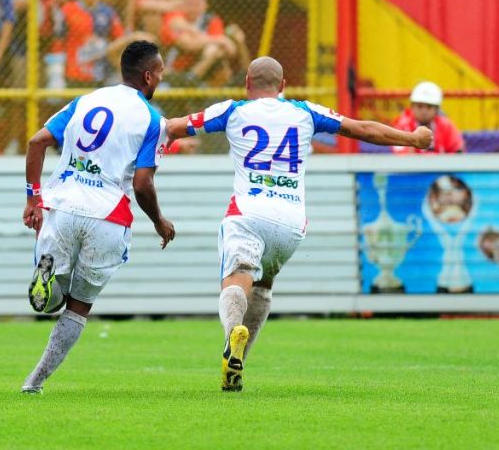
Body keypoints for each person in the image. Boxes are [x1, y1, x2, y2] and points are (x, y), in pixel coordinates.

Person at [165, 57, 433, 392]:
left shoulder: (232, 111)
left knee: (237, 277)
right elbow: (362, 128)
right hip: (291, 221)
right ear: (283, 85)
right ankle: (239, 361)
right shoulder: (305, 112)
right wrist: (411, 138)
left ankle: (232, 333)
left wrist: (156, 142)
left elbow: (175, 127)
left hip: (248, 212)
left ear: (247, 82)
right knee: (263, 285)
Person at [20, 40, 176, 394]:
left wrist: (33, 198)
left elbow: (36, 142)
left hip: (61, 206)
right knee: (78, 307)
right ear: (148, 76)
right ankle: (35, 381)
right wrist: (158, 221)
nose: (162, 79)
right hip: (107, 214)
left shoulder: (85, 101)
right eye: (161, 73)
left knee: (51, 299)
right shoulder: (151, 119)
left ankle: (49, 275)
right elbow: (142, 183)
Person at [392, 81, 465, 154]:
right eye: (420, 106)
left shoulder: (446, 125)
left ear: (436, 109)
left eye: (429, 107)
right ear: (412, 106)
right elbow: (403, 157)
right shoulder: (402, 126)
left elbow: (458, 152)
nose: (424, 111)